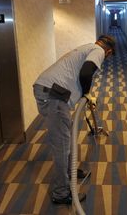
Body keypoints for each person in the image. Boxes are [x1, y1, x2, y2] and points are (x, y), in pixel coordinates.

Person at [33, 35, 116, 204]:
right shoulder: (99, 51)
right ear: (108, 51)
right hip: (54, 96)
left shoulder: (86, 46)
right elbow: (86, 73)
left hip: (50, 91)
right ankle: (60, 193)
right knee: (62, 144)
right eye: (108, 56)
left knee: (66, 135)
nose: (106, 59)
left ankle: (70, 171)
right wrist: (86, 92)